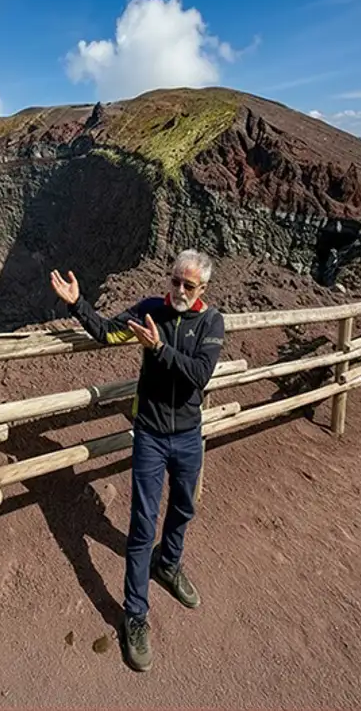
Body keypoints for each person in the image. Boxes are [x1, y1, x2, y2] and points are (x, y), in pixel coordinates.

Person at [49, 249, 225, 673]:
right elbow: (108, 334)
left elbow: (199, 375)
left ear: (203, 289)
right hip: (149, 434)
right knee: (143, 525)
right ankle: (135, 615)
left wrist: (159, 348)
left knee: (184, 508)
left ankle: (168, 566)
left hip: (186, 435)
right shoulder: (150, 310)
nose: (178, 291)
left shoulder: (212, 322)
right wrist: (77, 304)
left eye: (188, 285)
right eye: (174, 281)